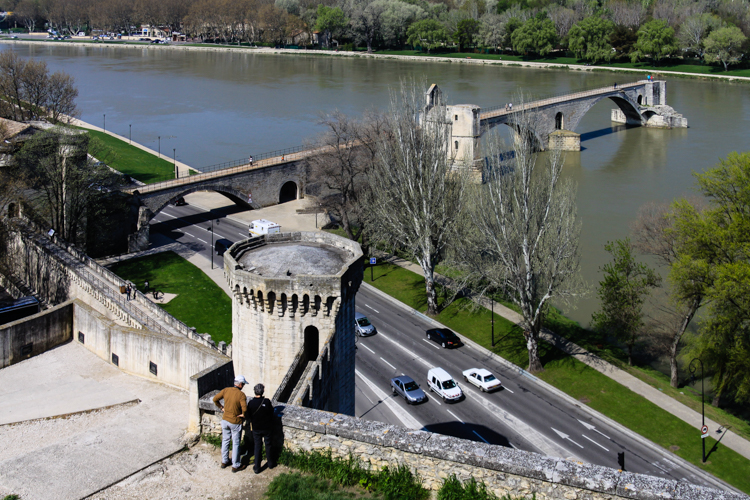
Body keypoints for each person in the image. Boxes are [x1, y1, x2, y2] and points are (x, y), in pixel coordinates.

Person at [213, 376, 249, 472]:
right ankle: (235, 465)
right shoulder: (241, 395)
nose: (244, 386)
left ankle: (224, 461)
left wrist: (221, 408)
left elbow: (215, 399)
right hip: (235, 421)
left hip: (225, 420)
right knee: (236, 443)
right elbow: (245, 409)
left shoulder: (226, 390)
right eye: (243, 384)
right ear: (240, 384)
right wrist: (243, 415)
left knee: (225, 440)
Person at [246, 383, 276, 473]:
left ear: (254, 392)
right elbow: (271, 413)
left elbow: (248, 415)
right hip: (267, 428)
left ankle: (257, 467)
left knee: (257, 446)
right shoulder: (266, 402)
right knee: (268, 445)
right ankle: (270, 464)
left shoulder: (251, 403)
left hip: (256, 428)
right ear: (263, 391)